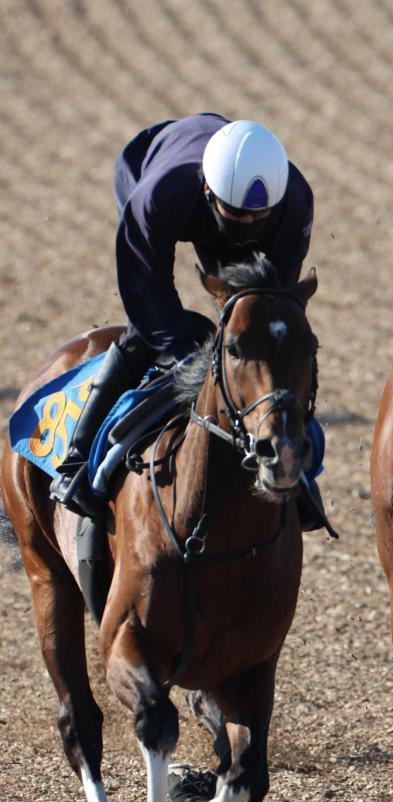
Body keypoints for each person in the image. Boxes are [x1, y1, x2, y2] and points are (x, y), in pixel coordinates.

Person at [50, 113, 332, 531]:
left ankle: (300, 473)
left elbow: (277, 305)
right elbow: (146, 287)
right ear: (208, 190)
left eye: (257, 219)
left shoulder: (294, 203)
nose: (245, 226)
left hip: (224, 205)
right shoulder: (157, 196)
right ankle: (77, 461)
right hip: (156, 179)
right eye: (235, 214)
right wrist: (186, 355)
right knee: (144, 336)